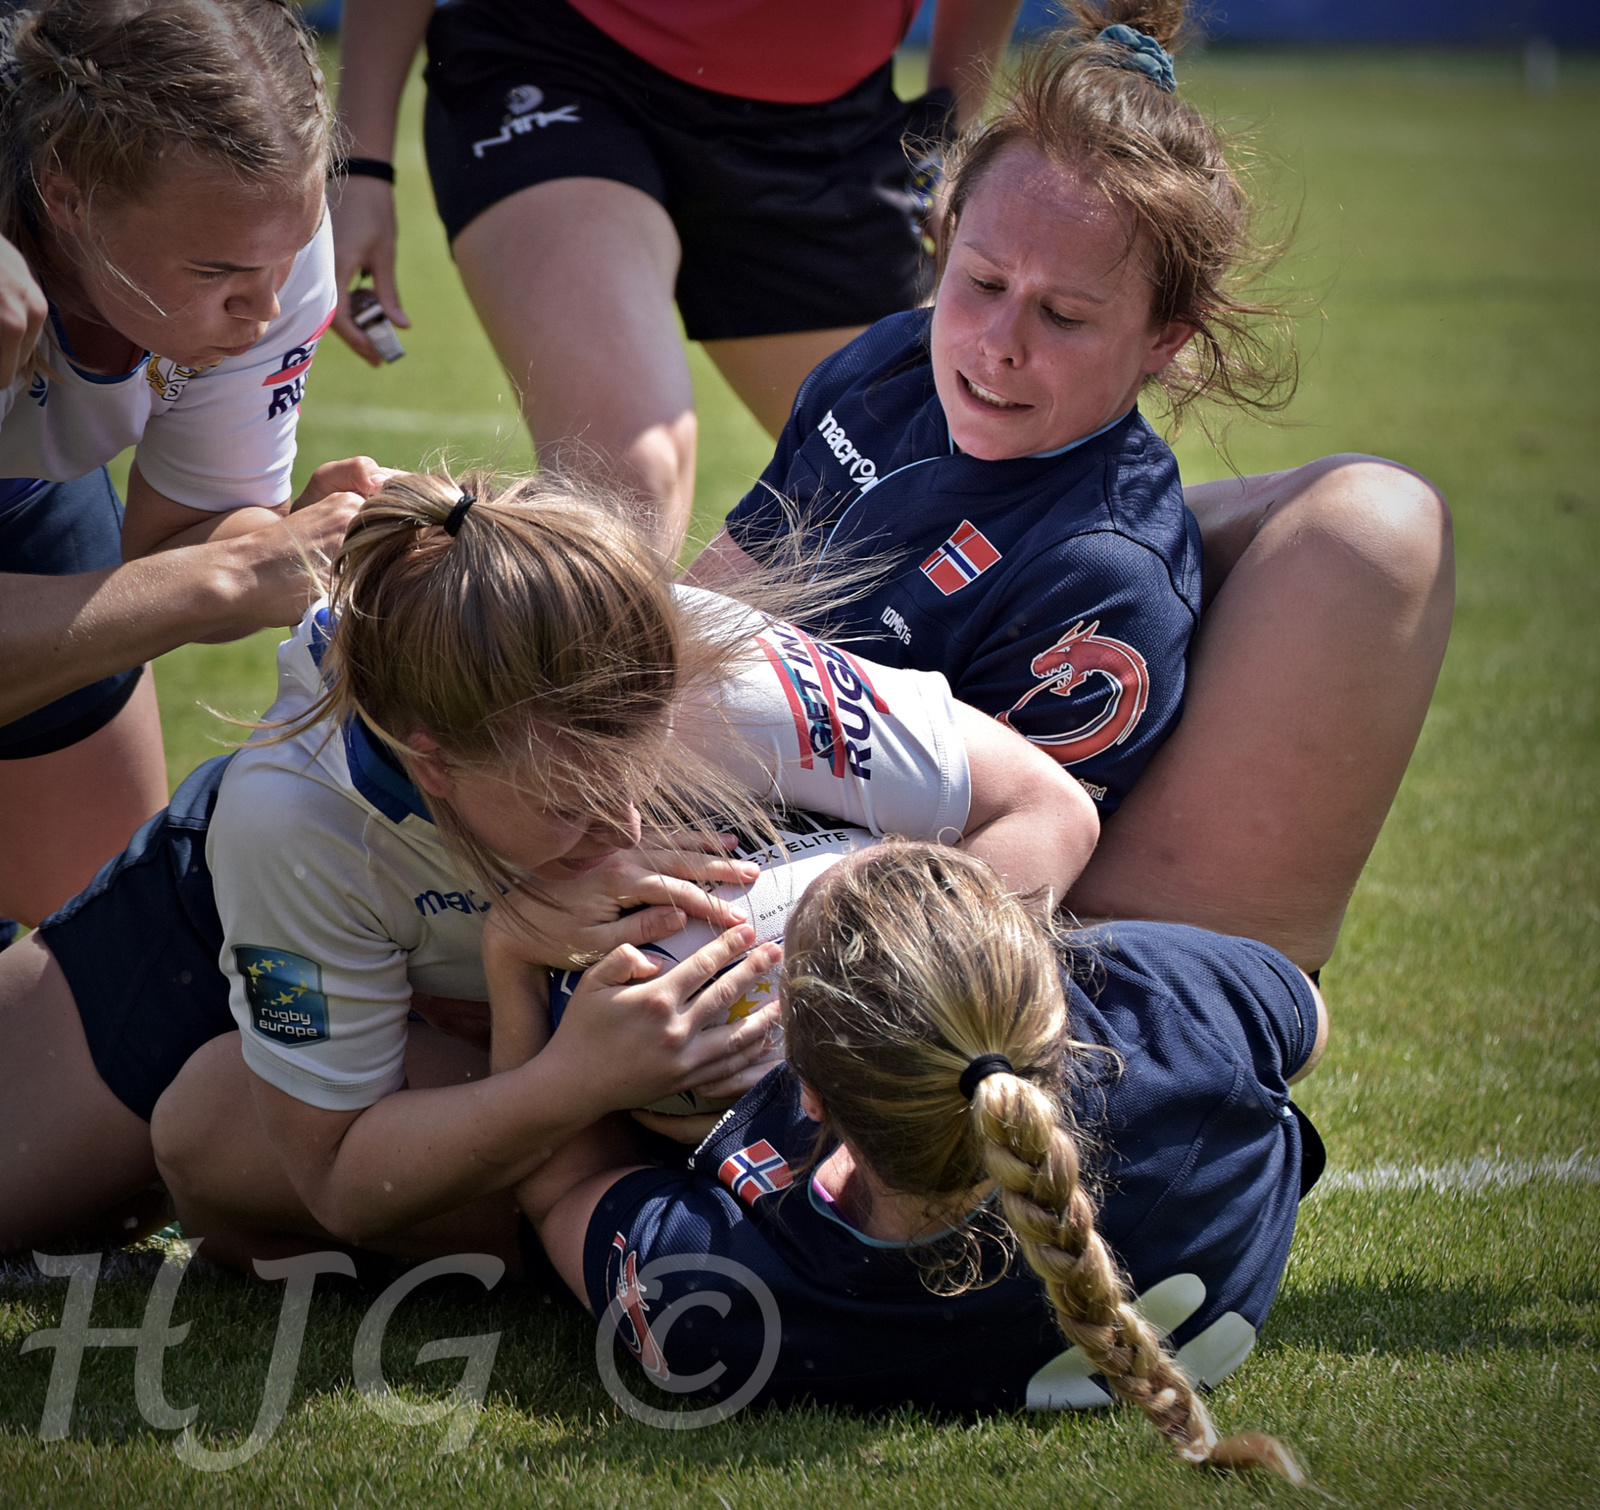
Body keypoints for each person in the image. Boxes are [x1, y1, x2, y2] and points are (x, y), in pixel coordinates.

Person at [0, 466, 1096, 1259]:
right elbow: (337, 1174)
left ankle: (628, 1199)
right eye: (570, 798)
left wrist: (857, 1009)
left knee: (216, 1128)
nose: (623, 810)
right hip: (268, 936)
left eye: (644, 756)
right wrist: (572, 1076)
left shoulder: (710, 669)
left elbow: (1044, 808)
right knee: (213, 1153)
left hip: (533, 1042)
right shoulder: (293, 823)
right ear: (431, 762)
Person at [685, 2, 1454, 970]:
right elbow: (721, 600)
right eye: (982, 282)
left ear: (1164, 340)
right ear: (944, 242)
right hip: (725, 814)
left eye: (1064, 314)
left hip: (883, 917)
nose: (1000, 343)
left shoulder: (1103, 577)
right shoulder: (883, 363)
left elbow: (994, 884)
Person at [519, 840, 1321, 1480]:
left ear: (813, 1098)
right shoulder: (1171, 1023)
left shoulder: (714, 1301)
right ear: (1045, 993)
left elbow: (560, 1191)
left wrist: (514, 966)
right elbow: (1306, 1019)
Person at [329, 0, 1028, 547]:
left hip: (826, 131)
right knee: (627, 488)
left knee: (936, 500)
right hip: (561, 60)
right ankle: (409, 699)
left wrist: (951, 130)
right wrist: (360, 166)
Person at [0, 0, 379, 937]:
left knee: (95, 947)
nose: (268, 308)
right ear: (66, 195)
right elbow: (198, 577)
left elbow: (178, 547)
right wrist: (227, 575)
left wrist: (318, 548)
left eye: (288, 257)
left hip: (28, 495)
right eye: (216, 274)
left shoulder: (266, 248)